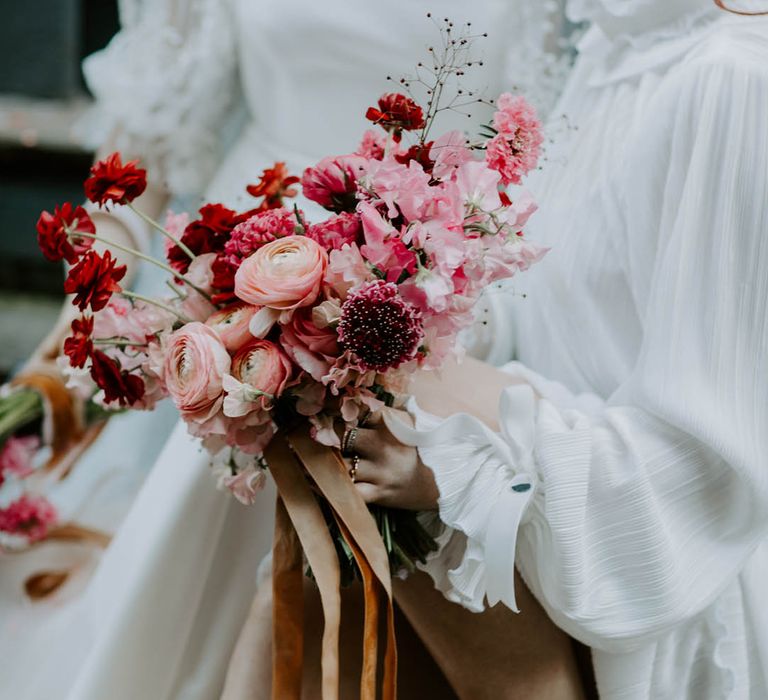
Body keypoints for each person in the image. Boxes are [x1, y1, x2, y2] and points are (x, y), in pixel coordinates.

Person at [0, 1, 581, 698]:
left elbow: (554, 152)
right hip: (239, 283)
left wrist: (436, 285)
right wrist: (73, 347)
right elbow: (136, 156)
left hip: (441, 294)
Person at [353, 0, 768, 697]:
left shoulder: (734, 77)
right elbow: (560, 322)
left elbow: (712, 469)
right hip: (539, 546)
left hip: (655, 576)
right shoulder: (614, 43)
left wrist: (463, 472)